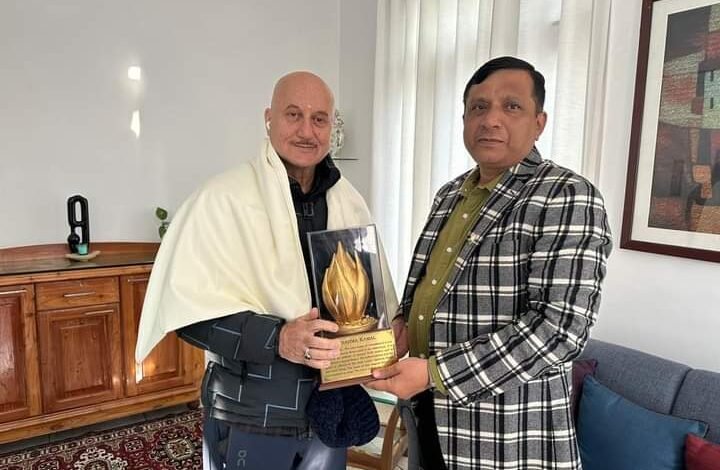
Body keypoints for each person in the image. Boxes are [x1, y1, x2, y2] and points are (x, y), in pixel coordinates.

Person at [135, 71, 396, 470]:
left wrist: (384, 336)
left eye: (319, 119)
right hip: (250, 415)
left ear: (332, 127)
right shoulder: (222, 199)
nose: (306, 131)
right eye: (293, 115)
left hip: (328, 413)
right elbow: (187, 318)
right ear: (268, 119)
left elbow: (368, 306)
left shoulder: (350, 202)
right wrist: (279, 338)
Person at [367, 56, 613, 470]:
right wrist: (403, 323)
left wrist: (434, 373)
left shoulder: (567, 195)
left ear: (539, 122)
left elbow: (559, 330)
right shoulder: (450, 194)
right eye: (479, 107)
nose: (491, 119)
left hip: (504, 436)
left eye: (511, 106)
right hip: (426, 416)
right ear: (464, 119)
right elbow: (432, 285)